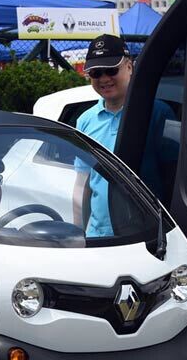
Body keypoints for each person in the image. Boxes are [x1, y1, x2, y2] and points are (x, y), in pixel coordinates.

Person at [73, 34, 177, 238]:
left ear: (129, 67)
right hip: (99, 238)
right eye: (96, 73)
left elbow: (173, 178)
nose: (104, 78)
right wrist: (77, 233)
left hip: (146, 237)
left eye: (112, 70)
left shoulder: (158, 113)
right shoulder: (85, 120)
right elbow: (82, 184)